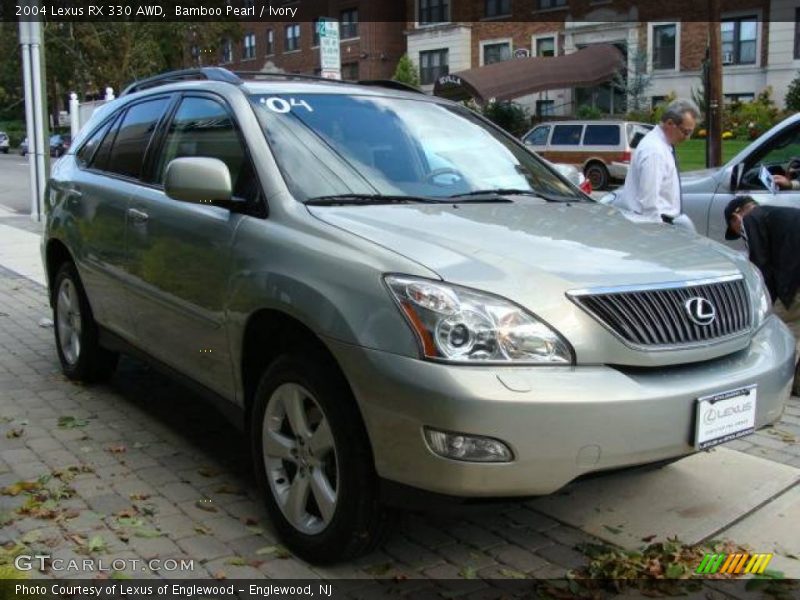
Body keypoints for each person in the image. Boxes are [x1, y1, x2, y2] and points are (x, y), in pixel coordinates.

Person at [725, 195, 800, 393]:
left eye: (735, 231)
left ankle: (766, 382)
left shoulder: (751, 220)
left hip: (795, 280)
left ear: (736, 216)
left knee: (777, 330)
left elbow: (761, 265)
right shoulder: (776, 214)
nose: (739, 234)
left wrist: (763, 301)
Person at [611, 98, 700, 230]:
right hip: (651, 225)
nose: (688, 138)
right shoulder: (655, 151)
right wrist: (657, 231)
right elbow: (649, 200)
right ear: (670, 123)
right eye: (686, 132)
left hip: (654, 222)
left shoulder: (661, 145)